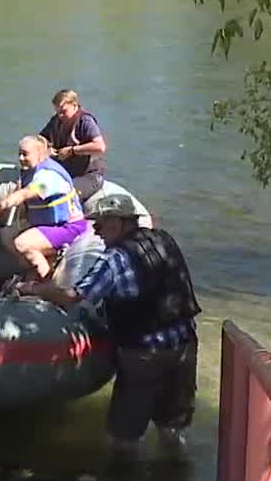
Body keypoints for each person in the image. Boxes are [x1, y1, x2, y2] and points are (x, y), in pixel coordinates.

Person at [18, 193, 201, 461]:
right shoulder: (164, 240)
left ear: (119, 223)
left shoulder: (115, 259)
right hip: (184, 345)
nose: (96, 230)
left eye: (101, 224)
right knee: (172, 427)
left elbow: (73, 298)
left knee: (123, 438)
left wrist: (33, 288)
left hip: (145, 352)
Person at [0, 135, 88, 293]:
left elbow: (28, 193)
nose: (21, 158)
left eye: (25, 154)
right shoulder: (30, 172)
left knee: (22, 243)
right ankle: (34, 271)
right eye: (19, 153)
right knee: (6, 235)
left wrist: (4, 203)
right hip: (46, 225)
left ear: (40, 154)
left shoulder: (49, 177)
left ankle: (46, 283)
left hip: (68, 227)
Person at [39, 89, 107, 202]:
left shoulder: (85, 121)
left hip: (88, 176)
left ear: (74, 105)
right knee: (38, 190)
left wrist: (72, 150)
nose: (60, 115)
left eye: (64, 111)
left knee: (63, 196)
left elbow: (100, 147)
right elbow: (41, 139)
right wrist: (46, 149)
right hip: (64, 173)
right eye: (57, 111)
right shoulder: (56, 120)